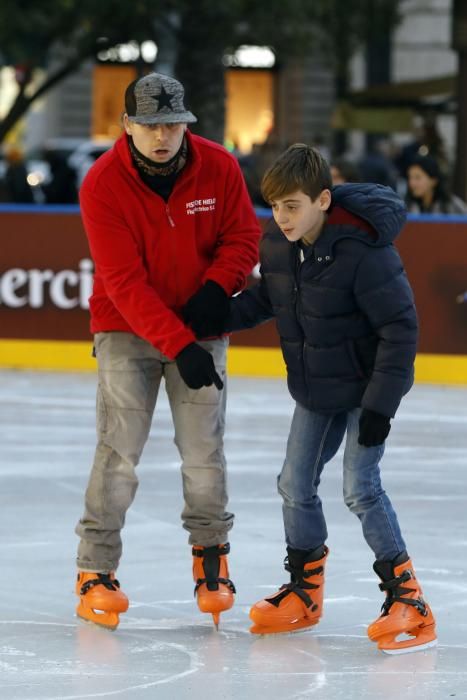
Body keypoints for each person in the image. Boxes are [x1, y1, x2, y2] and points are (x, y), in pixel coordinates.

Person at [218, 144, 437, 654]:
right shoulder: (279, 244)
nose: (281, 216)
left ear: (322, 198)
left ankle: (409, 600)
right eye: (274, 206)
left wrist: (381, 407)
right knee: (294, 483)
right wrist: (214, 314)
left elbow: (400, 329)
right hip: (317, 386)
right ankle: (304, 591)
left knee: (361, 487)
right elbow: (267, 299)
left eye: (292, 205)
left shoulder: (362, 249)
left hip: (368, 387)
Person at [74, 72, 260, 630]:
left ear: (186, 123)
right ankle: (95, 570)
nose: (163, 135)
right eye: (150, 124)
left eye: (173, 123)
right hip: (126, 328)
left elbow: (243, 237)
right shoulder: (102, 183)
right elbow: (124, 284)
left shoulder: (219, 165)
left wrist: (214, 287)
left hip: (199, 325)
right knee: (119, 452)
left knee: (204, 451)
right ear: (128, 124)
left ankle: (211, 560)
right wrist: (180, 344)